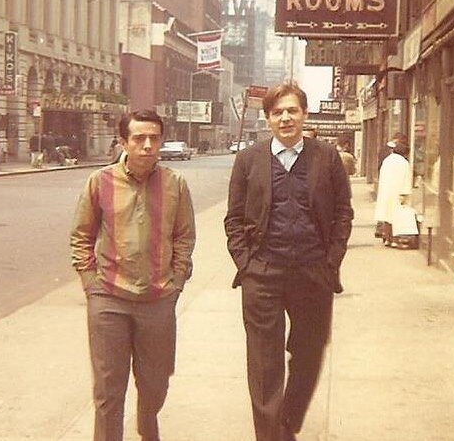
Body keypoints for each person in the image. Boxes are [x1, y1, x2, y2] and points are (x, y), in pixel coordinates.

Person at [224, 82, 354, 441]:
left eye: (292, 110)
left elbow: (343, 212)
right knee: (264, 363)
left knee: (310, 353)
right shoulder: (249, 159)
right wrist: (246, 263)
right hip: (262, 273)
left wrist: (331, 261)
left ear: (304, 114)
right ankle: (270, 436)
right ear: (267, 119)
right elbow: (233, 218)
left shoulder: (326, 157)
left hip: (313, 271)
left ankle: (287, 422)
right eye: (278, 112)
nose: (285, 118)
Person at [70, 109, 196, 441]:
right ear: (124, 141)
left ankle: (147, 423)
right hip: (109, 298)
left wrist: (177, 281)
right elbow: (82, 234)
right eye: (139, 138)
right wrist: (90, 282)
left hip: (158, 299)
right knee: (109, 390)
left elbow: (184, 236)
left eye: (154, 138)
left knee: (156, 383)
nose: (147, 145)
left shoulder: (175, 184)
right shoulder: (100, 182)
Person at [374, 142, 412, 246]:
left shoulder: (387, 160)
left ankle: (387, 239)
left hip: (386, 191)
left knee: (387, 216)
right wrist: (405, 193)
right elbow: (406, 179)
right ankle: (395, 240)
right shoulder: (404, 163)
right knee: (396, 217)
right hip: (398, 192)